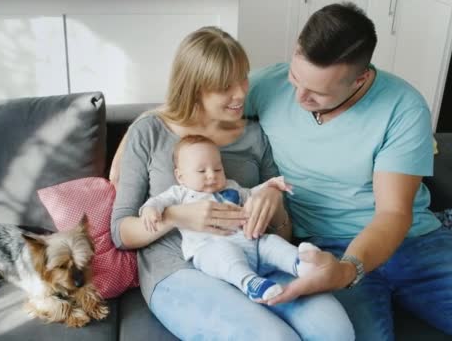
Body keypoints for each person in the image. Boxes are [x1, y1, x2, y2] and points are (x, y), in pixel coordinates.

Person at [245, 3, 452, 340]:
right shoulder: (267, 85)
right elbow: (188, 108)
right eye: (296, 77)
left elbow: (394, 213)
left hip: (416, 246)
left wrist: (350, 269)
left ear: (359, 79)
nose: (299, 95)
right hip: (323, 248)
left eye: (318, 93)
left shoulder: (402, 105)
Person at [110, 26, 354, 340]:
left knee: (336, 331)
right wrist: (177, 216)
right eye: (225, 86)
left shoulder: (254, 135)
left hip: (255, 254)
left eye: (243, 77)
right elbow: (120, 232)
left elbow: (284, 232)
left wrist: (273, 202)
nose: (240, 93)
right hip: (180, 267)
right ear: (195, 87)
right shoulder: (151, 131)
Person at [140, 134, 321, 302]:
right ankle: (250, 282)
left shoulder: (231, 186)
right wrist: (150, 210)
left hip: (251, 242)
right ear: (180, 176)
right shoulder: (181, 193)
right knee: (224, 256)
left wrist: (271, 185)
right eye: (202, 171)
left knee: (271, 242)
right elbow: (158, 201)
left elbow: (252, 194)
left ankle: (300, 263)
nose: (212, 175)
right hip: (209, 248)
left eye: (218, 169)